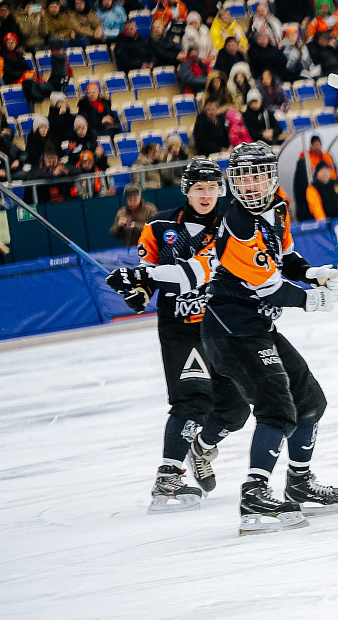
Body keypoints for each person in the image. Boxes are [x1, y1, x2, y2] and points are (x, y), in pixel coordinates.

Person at [201, 142, 338, 534]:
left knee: (310, 401)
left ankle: (299, 482)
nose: (250, 185)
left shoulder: (278, 209)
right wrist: (311, 299)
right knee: (277, 408)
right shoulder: (238, 224)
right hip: (231, 329)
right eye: (243, 176)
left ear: (271, 178)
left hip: (258, 326)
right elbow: (268, 287)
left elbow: (284, 258)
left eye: (258, 175)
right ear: (232, 181)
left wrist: (312, 272)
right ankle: (255, 493)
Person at [103, 160, 251, 513]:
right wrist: (137, 291)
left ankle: (201, 447)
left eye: (212, 188)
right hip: (181, 330)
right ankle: (168, 478)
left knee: (235, 410)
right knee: (192, 402)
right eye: (199, 188)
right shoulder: (158, 228)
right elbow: (149, 278)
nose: (206, 195)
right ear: (186, 190)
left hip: (221, 328)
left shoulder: (232, 227)